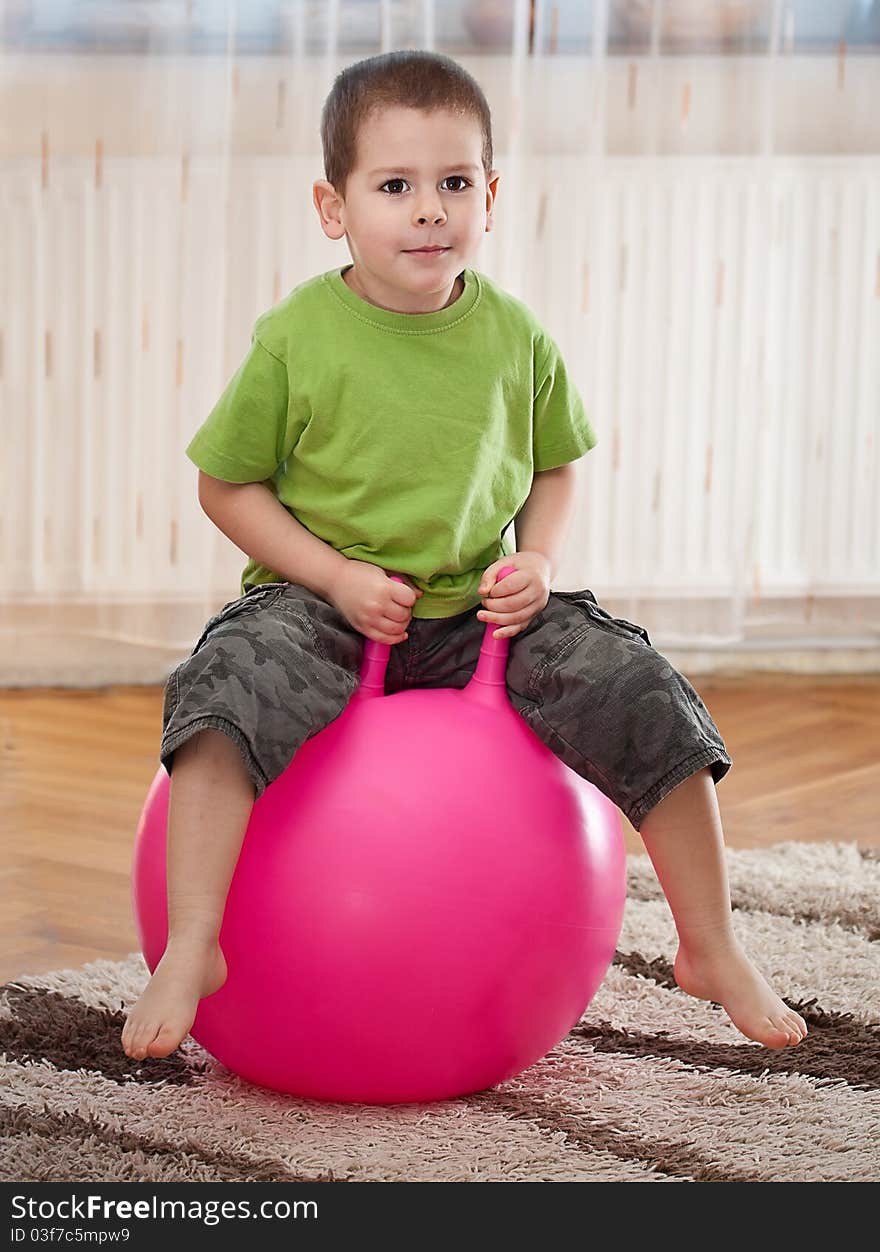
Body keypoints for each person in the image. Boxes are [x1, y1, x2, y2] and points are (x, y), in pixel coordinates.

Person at [122, 50, 807, 1062]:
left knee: (644, 689)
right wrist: (332, 577)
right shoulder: (295, 338)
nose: (428, 210)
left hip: (471, 615)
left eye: (453, 184)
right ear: (333, 206)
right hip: (317, 603)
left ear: (489, 196)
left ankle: (711, 947)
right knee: (219, 696)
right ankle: (191, 946)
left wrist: (535, 557)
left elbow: (556, 465)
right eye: (394, 187)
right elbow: (225, 485)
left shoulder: (516, 336)